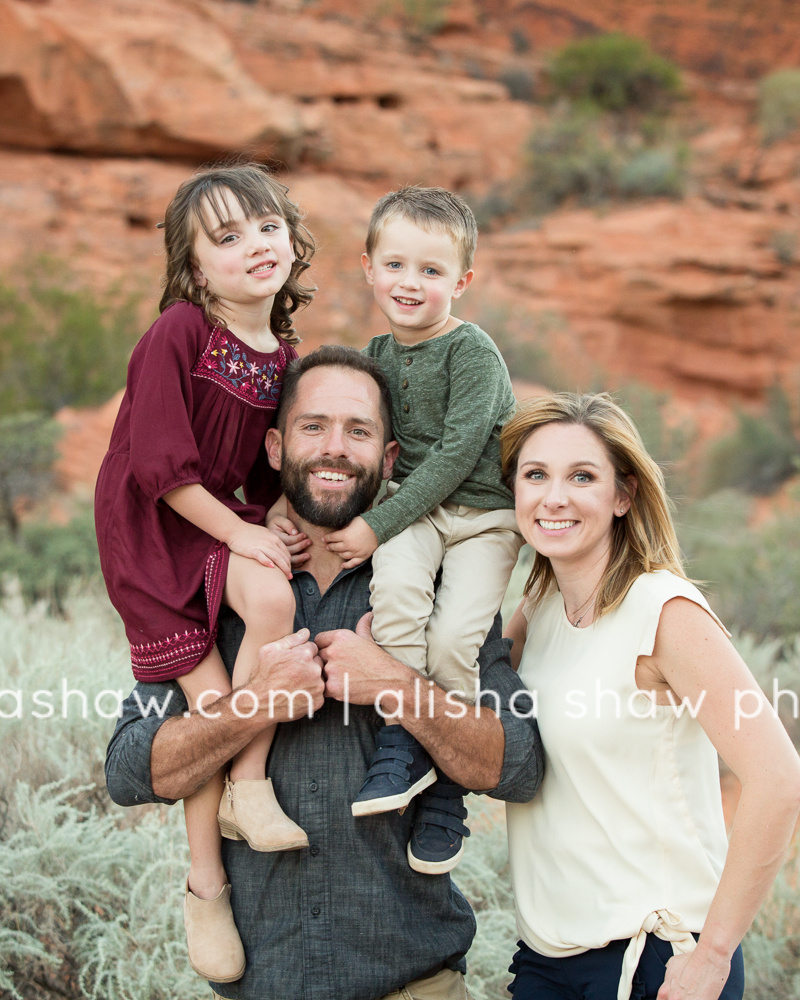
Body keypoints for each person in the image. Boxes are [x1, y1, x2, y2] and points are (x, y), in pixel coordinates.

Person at [104, 346, 544, 1000]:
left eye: (358, 431)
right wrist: (257, 703)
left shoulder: (440, 592)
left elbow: (517, 765)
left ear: (390, 459)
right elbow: (133, 770)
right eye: (314, 426)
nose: (335, 447)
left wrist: (393, 683)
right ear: (276, 447)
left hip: (415, 985)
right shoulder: (215, 590)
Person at [499, 391, 800, 1000]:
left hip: (655, 961)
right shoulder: (537, 611)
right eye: (535, 475)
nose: (553, 497)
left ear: (623, 495)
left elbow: (777, 776)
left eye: (582, 476)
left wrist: (712, 957)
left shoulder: (663, 610)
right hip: (544, 960)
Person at [94, 162, 317, 983]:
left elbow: (264, 469)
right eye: (227, 238)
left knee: (272, 594)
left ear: (291, 238)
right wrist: (240, 528)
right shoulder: (181, 330)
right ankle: (206, 883)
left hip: (219, 519)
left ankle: (247, 785)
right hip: (155, 530)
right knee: (210, 704)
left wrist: (276, 520)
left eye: (266, 226)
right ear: (195, 268)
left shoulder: (282, 355)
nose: (255, 246)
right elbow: (157, 461)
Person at [321, 187, 523, 872]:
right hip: (415, 508)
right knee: (399, 603)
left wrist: (376, 524)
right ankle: (404, 746)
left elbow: (458, 454)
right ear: (369, 268)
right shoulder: (374, 354)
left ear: (462, 282)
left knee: (456, 636)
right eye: (396, 265)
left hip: (483, 518)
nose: (411, 283)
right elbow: (370, 444)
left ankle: (448, 792)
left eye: (432, 272)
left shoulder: (472, 353)